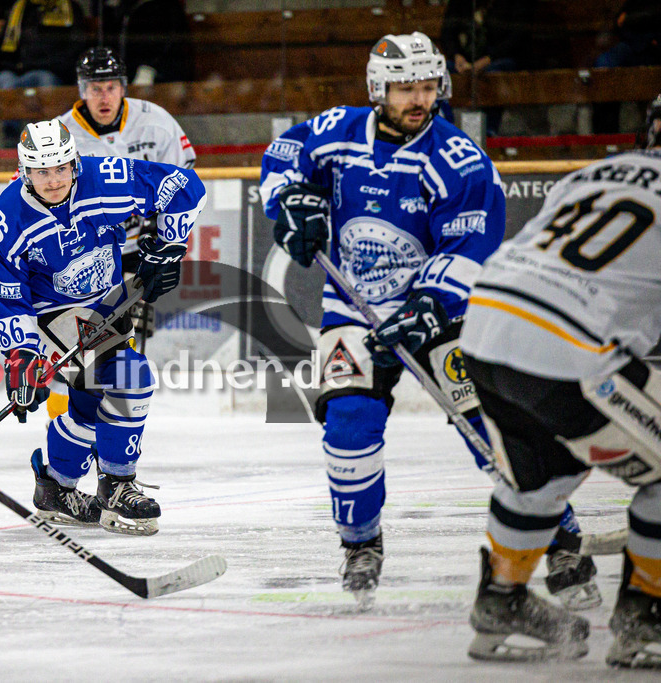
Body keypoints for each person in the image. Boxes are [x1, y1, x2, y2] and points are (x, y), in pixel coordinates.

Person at [259, 32, 600, 610]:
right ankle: (361, 544)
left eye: (425, 87)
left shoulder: (458, 159)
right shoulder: (336, 131)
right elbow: (284, 158)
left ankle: (561, 538)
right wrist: (290, 202)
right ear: (377, 89)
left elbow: (470, 244)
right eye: (402, 88)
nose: (416, 99)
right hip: (353, 312)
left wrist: (430, 305)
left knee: (493, 434)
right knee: (346, 429)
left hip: (441, 316)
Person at [458, 96, 661, 666]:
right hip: (565, 350)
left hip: (484, 331)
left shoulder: (593, 172)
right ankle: (647, 618)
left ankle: (502, 602)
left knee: (545, 471)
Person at [0, 119, 204, 535]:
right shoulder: (3, 221)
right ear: (25, 171)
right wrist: (22, 354)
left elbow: (183, 185)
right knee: (130, 377)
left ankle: (56, 488)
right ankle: (117, 487)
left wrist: (167, 248)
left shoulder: (105, 177)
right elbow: (4, 295)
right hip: (52, 314)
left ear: (74, 162)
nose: (54, 180)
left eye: (61, 168)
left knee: (90, 405)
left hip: (107, 302)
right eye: (42, 172)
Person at [49, 46, 196, 418]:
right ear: (82, 90)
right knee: (83, 349)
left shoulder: (157, 121)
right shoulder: (60, 133)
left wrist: (163, 235)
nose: (104, 96)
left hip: (141, 249)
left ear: (123, 87)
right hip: (88, 257)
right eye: (95, 88)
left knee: (122, 345)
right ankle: (70, 421)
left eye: (111, 87)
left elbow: (184, 177)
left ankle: (115, 423)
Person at [0, 0, 87, 148]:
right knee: (1, 82)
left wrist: (37, 65)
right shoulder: (19, 8)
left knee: (43, 80)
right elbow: (0, 52)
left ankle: (48, 142)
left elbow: (73, 52)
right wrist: (15, 65)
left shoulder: (69, 9)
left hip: (51, 71)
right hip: (16, 71)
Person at [439, 0, 533, 137]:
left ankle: (490, 130)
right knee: (440, 72)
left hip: (498, 59)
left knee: (495, 74)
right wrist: (457, 56)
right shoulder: (460, 3)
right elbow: (447, 32)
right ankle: (445, 129)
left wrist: (488, 59)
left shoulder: (515, 5)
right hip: (464, 62)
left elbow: (517, 37)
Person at [591, 0, 661, 134]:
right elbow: (619, 22)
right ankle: (606, 134)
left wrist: (631, 20)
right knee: (603, 65)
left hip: (654, 49)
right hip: (634, 45)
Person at [92, 0, 194, 86]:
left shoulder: (168, 8)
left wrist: (149, 69)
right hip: (126, 76)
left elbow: (174, 46)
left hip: (160, 79)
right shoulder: (123, 9)